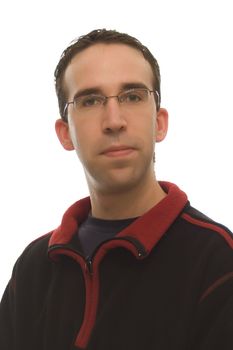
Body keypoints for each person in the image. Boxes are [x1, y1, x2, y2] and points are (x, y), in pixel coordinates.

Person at [0, 28, 233, 350]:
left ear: (160, 123)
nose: (114, 120)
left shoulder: (219, 261)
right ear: (65, 133)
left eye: (133, 96)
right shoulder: (34, 267)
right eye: (91, 100)